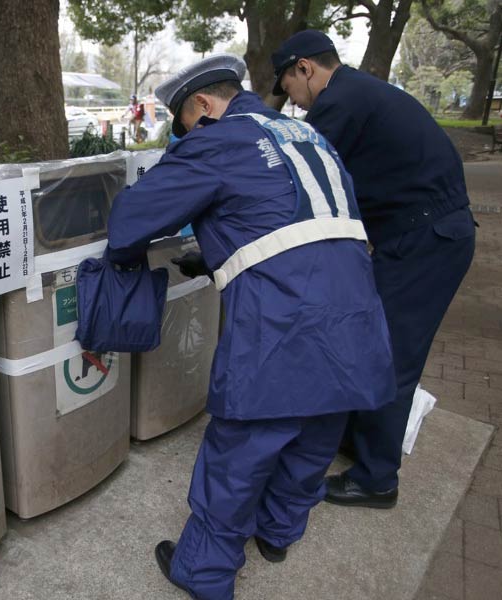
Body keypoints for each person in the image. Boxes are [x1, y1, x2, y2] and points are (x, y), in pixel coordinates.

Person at [105, 54, 395, 599]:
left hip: (284, 318)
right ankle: (280, 531)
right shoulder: (307, 135)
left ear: (203, 106)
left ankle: (204, 571)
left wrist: (126, 253)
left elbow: (130, 222)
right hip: (356, 309)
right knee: (316, 431)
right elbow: (292, 218)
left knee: (242, 448)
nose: (185, 139)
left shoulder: (217, 138)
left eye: (184, 128)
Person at [272, 30, 476, 509]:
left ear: (305, 68)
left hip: (426, 240)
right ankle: (360, 441)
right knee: (371, 341)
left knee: (391, 355)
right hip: (419, 234)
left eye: (289, 86)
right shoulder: (360, 91)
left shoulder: (340, 102)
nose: (294, 103)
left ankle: (377, 479)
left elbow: (296, 179)